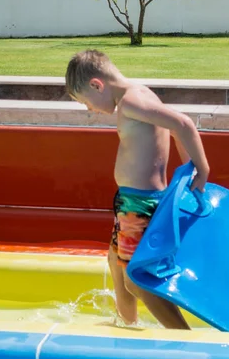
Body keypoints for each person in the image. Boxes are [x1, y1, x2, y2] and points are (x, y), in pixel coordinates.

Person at [65, 49, 210, 330]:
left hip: (141, 204)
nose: (89, 110)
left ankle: (183, 336)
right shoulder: (135, 97)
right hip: (130, 202)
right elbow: (175, 129)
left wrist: (201, 171)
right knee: (116, 263)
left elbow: (183, 124)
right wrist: (188, 167)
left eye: (87, 102)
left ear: (97, 85)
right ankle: (127, 326)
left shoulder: (132, 101)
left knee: (135, 279)